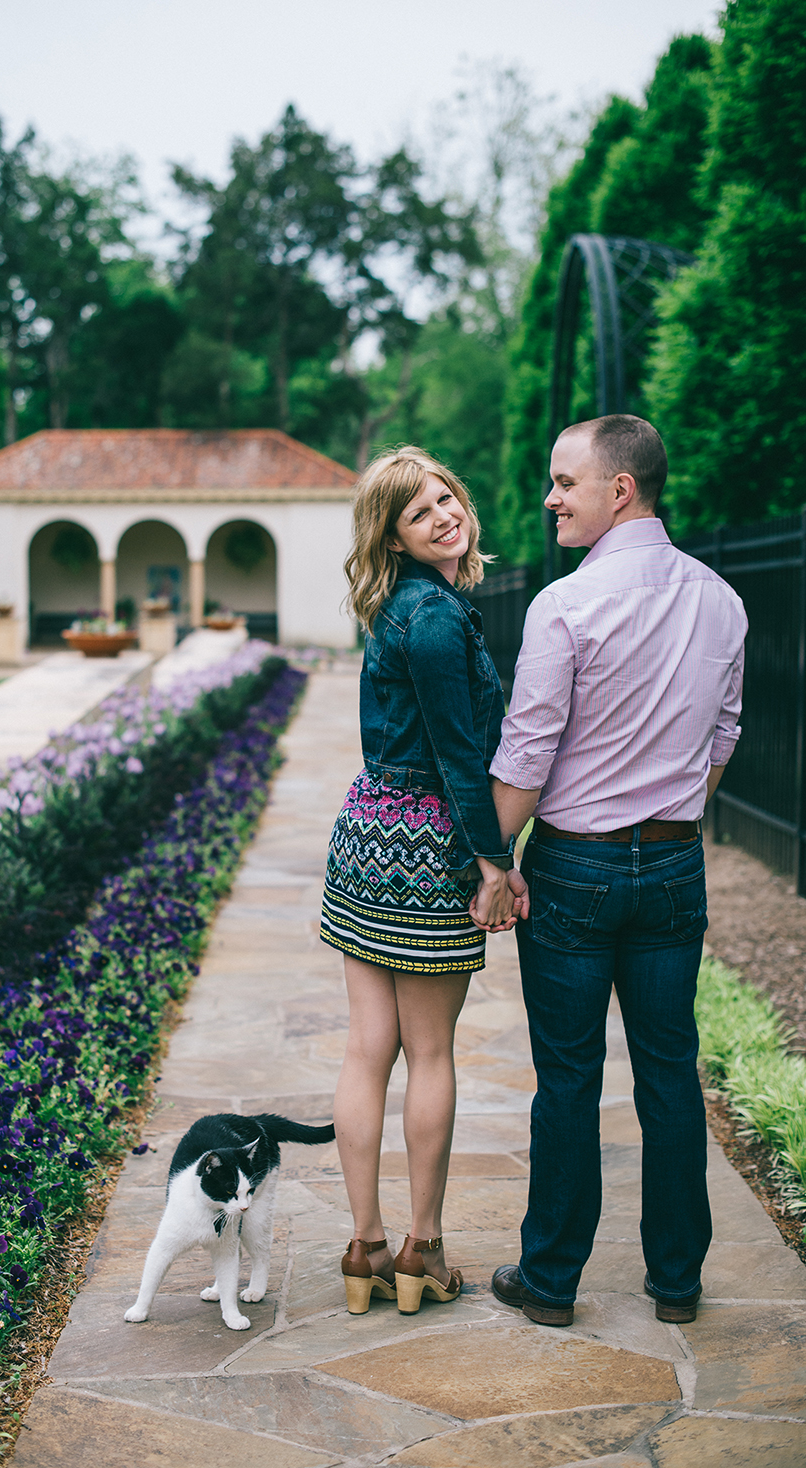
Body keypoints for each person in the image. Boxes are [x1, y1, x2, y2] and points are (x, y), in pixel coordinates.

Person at [476, 414, 746, 1329]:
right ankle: (678, 1281)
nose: (549, 497)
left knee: (569, 1080)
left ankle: (550, 1282)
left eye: (564, 482)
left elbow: (529, 751)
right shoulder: (723, 600)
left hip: (575, 872)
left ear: (618, 489)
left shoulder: (566, 605)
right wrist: (668, 810)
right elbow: (722, 742)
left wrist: (492, 863)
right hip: (674, 868)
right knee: (671, 1075)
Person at [319, 446, 522, 1316]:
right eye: (417, 512)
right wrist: (496, 865)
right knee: (426, 1051)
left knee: (370, 1047)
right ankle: (422, 1248)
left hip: (366, 832)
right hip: (425, 844)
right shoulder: (435, 618)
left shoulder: (401, 607)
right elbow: (459, 757)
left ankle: (363, 1245)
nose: (442, 514)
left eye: (445, 495)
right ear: (394, 538)